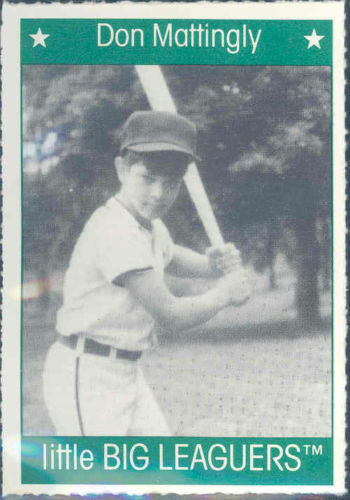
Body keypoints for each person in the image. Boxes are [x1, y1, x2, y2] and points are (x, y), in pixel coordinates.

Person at [43, 110, 250, 436]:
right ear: (122, 169)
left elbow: (171, 256)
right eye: (148, 178)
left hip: (125, 370)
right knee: (105, 481)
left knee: (157, 471)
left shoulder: (146, 224)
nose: (158, 194)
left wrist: (213, 265)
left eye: (171, 183)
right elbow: (171, 314)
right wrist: (224, 292)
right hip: (88, 375)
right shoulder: (115, 230)